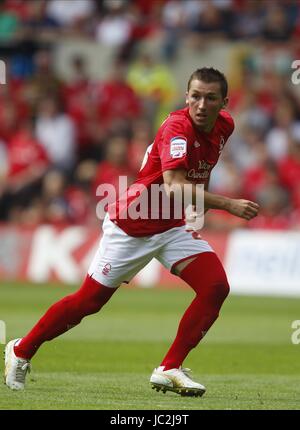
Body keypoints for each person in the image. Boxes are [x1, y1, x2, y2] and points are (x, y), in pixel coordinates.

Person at [4, 67, 259, 396]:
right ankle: (21, 350)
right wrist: (227, 204)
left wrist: (201, 202)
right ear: (186, 97)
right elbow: (173, 186)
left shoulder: (225, 125)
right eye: (195, 96)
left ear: (223, 103)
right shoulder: (177, 128)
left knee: (215, 287)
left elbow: (202, 165)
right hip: (133, 224)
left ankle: (169, 368)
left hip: (171, 226)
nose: (201, 104)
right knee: (88, 302)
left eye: (210, 98)